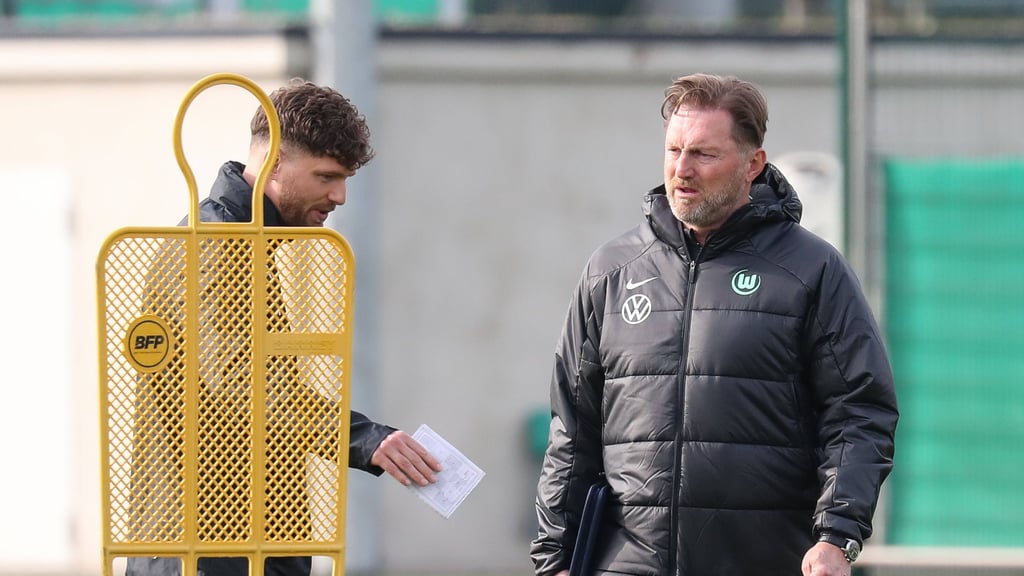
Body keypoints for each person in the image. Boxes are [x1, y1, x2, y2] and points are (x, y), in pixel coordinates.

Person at [530, 73, 899, 576]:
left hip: (761, 560)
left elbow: (859, 412)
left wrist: (837, 535)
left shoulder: (811, 271)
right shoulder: (612, 270)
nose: (682, 169)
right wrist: (552, 561)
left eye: (703, 154)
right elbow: (572, 432)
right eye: (674, 150)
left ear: (753, 165)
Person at [125, 79, 442, 576]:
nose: (339, 196)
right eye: (326, 176)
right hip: (210, 550)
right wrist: (366, 439)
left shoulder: (236, 239)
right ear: (273, 161)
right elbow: (243, 379)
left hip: (227, 543)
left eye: (345, 179)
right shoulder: (217, 246)